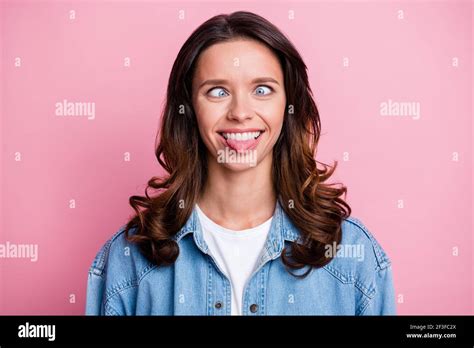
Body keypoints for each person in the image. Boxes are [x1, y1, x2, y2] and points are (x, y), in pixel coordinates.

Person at [85, 11, 396, 316]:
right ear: (189, 109)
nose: (240, 112)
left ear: (288, 106)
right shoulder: (128, 261)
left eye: (262, 90)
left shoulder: (353, 256)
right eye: (218, 91)